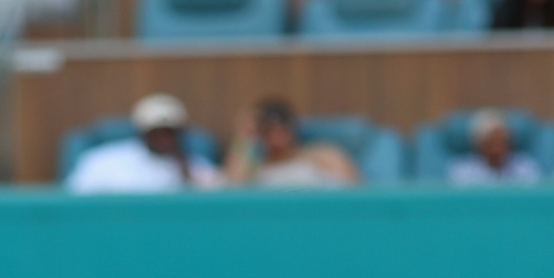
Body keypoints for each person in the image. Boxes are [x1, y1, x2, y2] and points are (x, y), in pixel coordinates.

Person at [66, 94, 222, 195]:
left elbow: (221, 193)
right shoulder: (101, 161)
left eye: (169, 132)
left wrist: (187, 177)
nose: (163, 139)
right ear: (141, 132)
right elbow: (74, 198)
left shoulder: (195, 166)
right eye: (155, 133)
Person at [224, 98, 358, 189]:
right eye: (269, 131)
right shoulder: (254, 169)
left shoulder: (322, 155)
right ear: (260, 134)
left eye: (283, 130)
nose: (277, 138)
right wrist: (244, 136)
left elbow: (355, 190)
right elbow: (233, 190)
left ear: (294, 129)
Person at [446, 109, 542, 186]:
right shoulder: (461, 172)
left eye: (502, 141)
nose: (497, 148)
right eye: (491, 142)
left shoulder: (525, 168)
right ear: (478, 144)